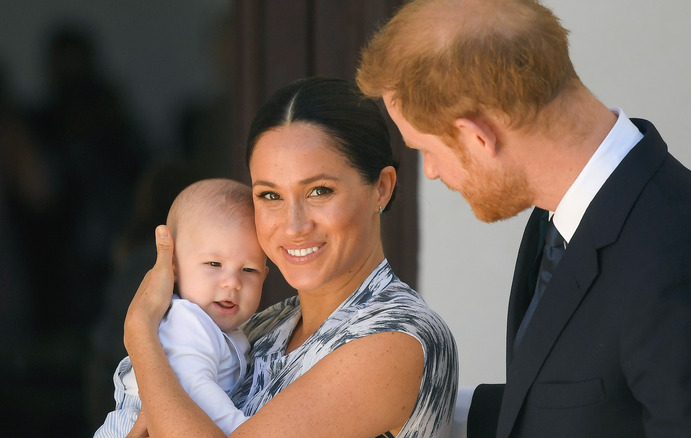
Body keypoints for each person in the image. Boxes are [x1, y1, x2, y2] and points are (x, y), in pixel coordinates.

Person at [356, 0, 691, 437]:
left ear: (478, 137)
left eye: (426, 150)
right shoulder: (565, 211)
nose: (432, 171)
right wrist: (405, 405)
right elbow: (579, 406)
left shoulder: (682, 267)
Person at [122, 77, 458, 437]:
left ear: (382, 188)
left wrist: (141, 332)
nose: (293, 225)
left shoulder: (397, 338)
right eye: (270, 196)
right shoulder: (264, 327)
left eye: (319, 191)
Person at [95, 178, 268, 437]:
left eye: (249, 270)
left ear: (265, 275)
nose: (232, 282)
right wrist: (243, 430)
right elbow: (196, 389)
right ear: (173, 267)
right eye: (213, 264)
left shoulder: (227, 329)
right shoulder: (187, 321)